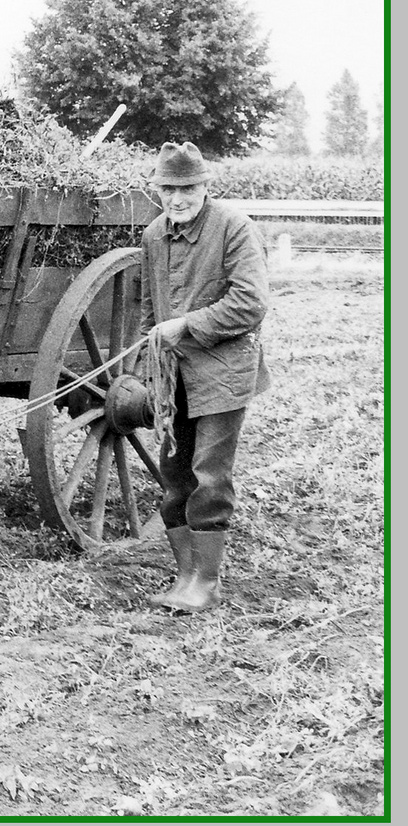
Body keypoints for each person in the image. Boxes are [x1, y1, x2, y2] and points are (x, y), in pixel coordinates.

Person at [138, 141, 271, 613]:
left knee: (209, 476)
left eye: (187, 188)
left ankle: (206, 584)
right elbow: (148, 311)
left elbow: (251, 303)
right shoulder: (155, 234)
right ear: (158, 190)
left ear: (205, 187)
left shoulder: (234, 228)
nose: (177, 199)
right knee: (174, 476)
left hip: (223, 373)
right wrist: (146, 371)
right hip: (173, 378)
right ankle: (185, 577)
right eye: (168, 189)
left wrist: (188, 325)